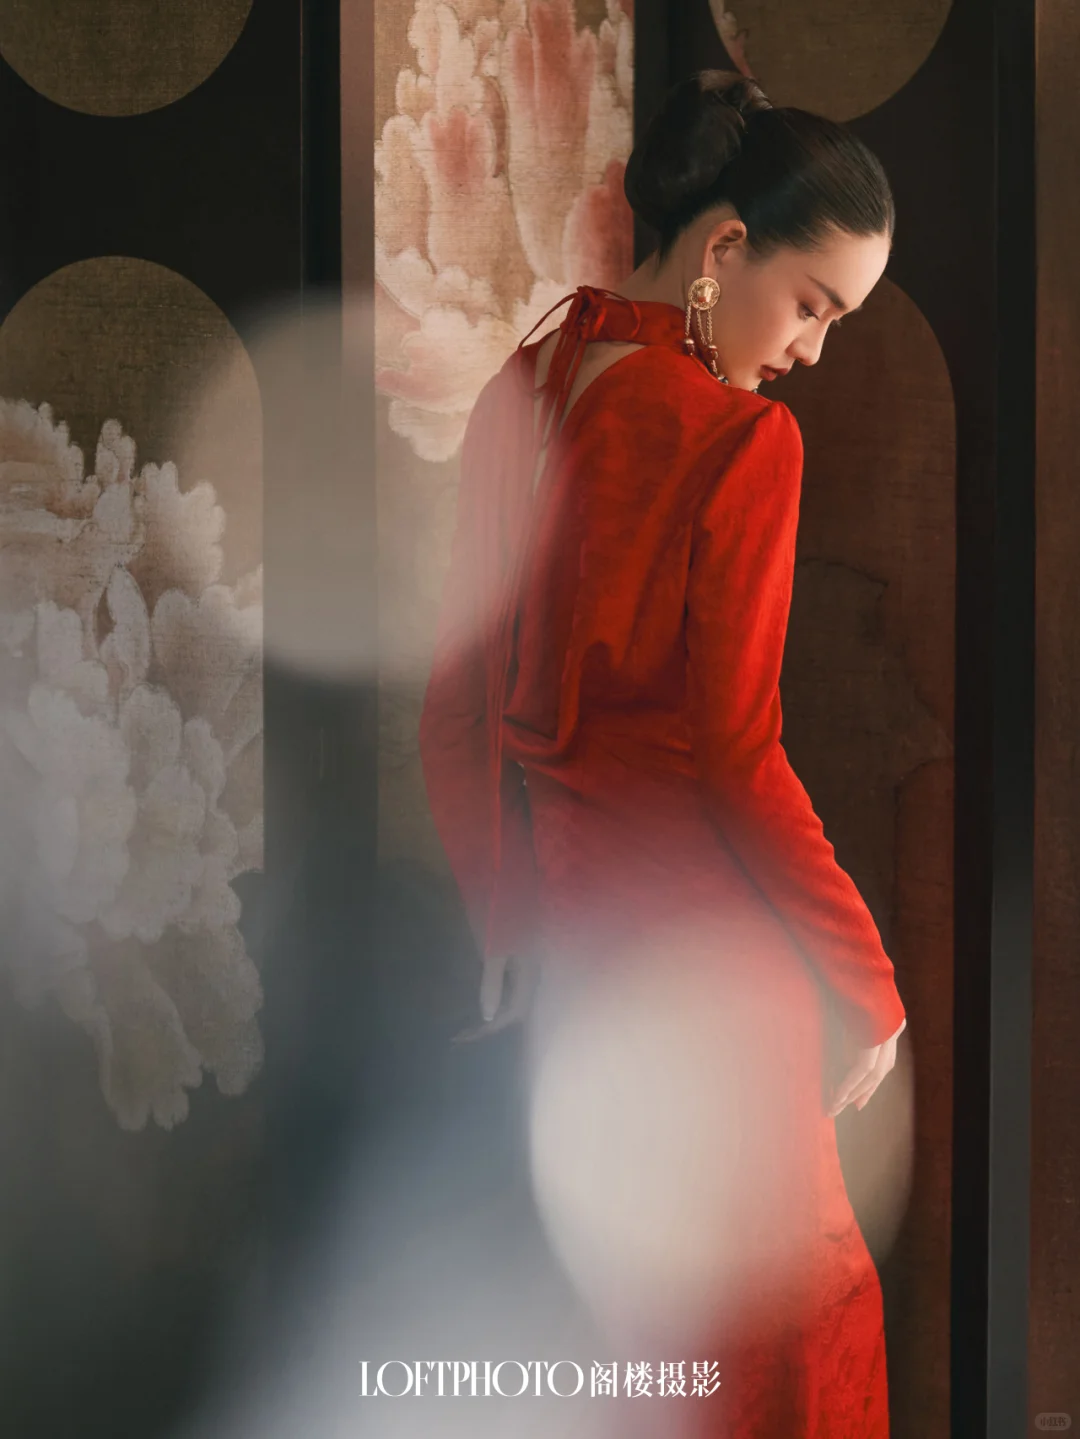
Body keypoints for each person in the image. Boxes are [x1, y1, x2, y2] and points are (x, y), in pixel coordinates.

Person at [418, 69, 908, 1437]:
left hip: (577, 962)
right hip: (711, 971)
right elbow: (739, 757)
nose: (813, 351)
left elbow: (453, 712)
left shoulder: (521, 389)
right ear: (727, 247)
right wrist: (868, 981)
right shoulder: (742, 440)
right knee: (780, 1339)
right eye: (813, 306)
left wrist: (505, 919)